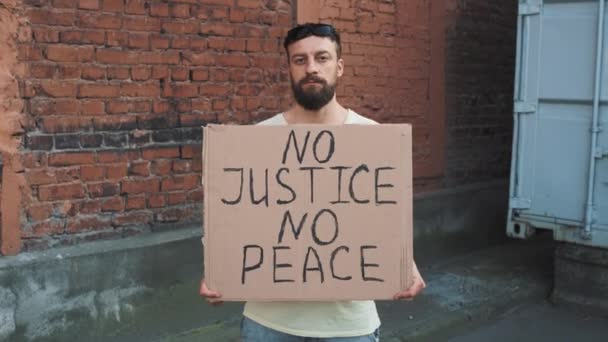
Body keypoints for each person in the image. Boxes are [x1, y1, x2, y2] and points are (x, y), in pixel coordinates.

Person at [200, 23, 426, 341]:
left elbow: (385, 221)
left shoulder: (373, 137)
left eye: (322, 58)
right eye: (300, 60)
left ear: (339, 66)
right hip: (268, 324)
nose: (312, 68)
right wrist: (219, 269)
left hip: (349, 327)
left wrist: (405, 263)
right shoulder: (256, 139)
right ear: (289, 68)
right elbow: (235, 221)